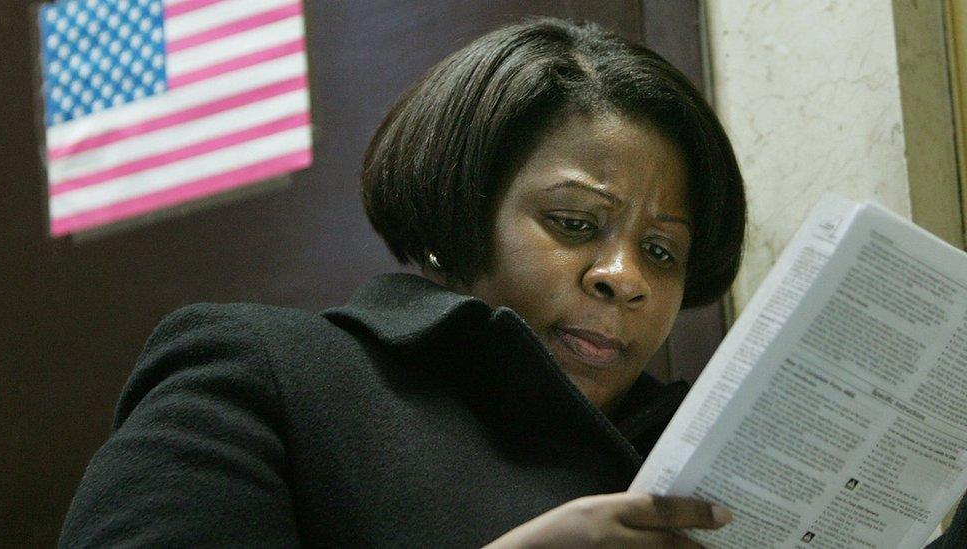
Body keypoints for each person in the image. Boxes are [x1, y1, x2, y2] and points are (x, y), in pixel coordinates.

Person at [59, 17, 965, 548]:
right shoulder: (268, 372)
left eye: (662, 250)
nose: (623, 279)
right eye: (575, 225)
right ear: (463, 210)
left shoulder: (705, 447)